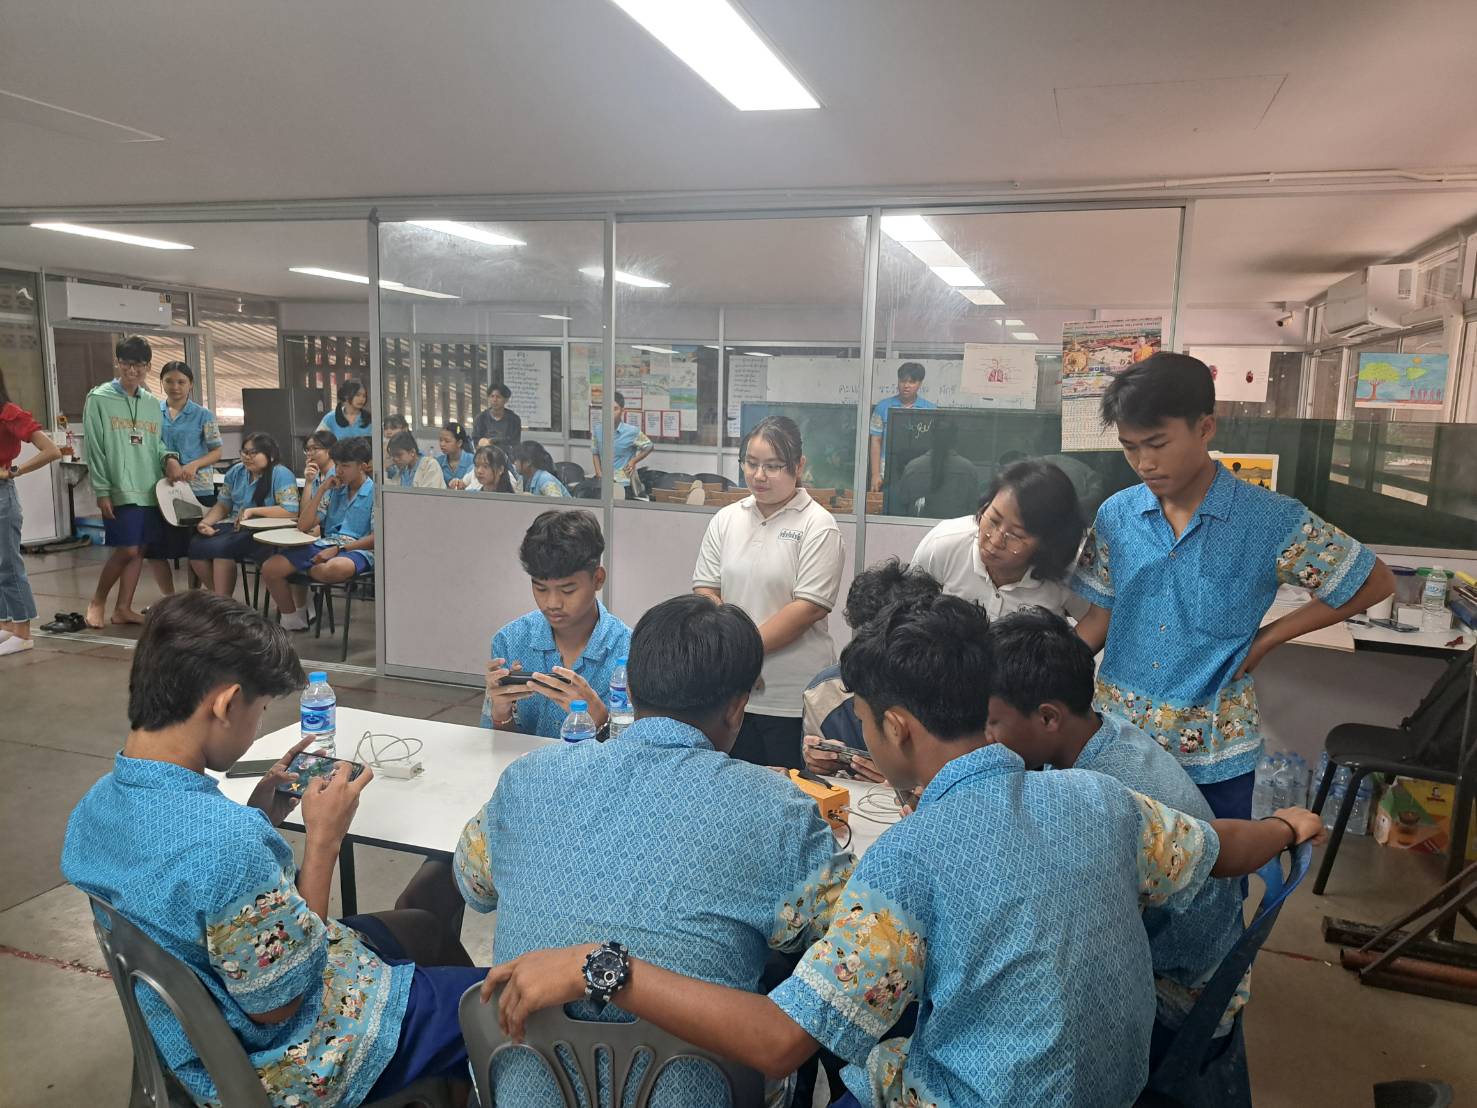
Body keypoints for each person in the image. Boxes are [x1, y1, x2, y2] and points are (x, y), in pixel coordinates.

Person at [479, 593, 1327, 1108]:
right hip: (1119, 1086)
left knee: (860, 1048)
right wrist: (1289, 829)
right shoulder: (1098, 798)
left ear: (896, 727)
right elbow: (1222, 849)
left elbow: (778, 1042)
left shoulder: (906, 863)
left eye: (860, 720)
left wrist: (602, 965)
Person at [60, 591, 483, 1108]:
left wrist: (259, 816)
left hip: (199, 1028)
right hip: (284, 1058)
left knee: (423, 928)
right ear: (225, 704)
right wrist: (323, 842)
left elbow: (202, 892)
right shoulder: (227, 843)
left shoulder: (97, 805)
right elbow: (280, 1002)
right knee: (498, 1005)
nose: (258, 723)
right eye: (260, 709)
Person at [453, 595, 854, 1105]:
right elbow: (843, 939)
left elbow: (473, 884)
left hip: (524, 1090)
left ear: (632, 685)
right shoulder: (779, 810)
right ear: (737, 706)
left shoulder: (527, 779)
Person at [1074, 353, 1395, 818]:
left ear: (1206, 428)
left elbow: (1374, 581)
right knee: (1115, 854)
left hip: (1211, 748)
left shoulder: (1270, 520)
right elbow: (1098, 618)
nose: (1144, 463)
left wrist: (1267, 639)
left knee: (1220, 857)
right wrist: (1035, 670)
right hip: (1119, 736)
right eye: (1130, 447)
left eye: (1158, 444)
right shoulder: (1116, 514)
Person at [984, 606, 1248, 1041]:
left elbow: (1062, 917)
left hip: (1178, 989)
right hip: (1181, 950)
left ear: (1048, 717)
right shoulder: (1099, 731)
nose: (986, 736)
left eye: (992, 721)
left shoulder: (1107, 792)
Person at [694, 416, 845, 770]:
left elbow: (807, 608)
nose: (759, 475)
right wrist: (733, 657)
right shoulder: (726, 519)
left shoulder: (818, 525)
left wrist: (741, 651)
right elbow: (706, 589)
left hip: (791, 696)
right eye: (751, 463)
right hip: (732, 694)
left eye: (773, 466)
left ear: (799, 466)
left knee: (790, 787)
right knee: (733, 785)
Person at [481, 509, 630, 739]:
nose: (552, 603)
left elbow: (643, 753)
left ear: (598, 579)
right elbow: (494, 747)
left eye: (567, 590)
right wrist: (501, 713)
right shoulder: (510, 641)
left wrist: (602, 720)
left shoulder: (631, 651)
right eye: (540, 588)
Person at [800, 559, 941, 784]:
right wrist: (819, 764)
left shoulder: (949, 688)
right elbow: (818, 783)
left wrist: (907, 782)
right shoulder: (825, 692)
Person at [82, 335, 185, 629]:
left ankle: (123, 608)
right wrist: (102, 490)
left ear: (148, 366)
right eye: (126, 364)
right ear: (118, 363)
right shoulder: (99, 398)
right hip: (119, 487)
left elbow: (156, 443)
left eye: (139, 365)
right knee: (127, 548)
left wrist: (169, 458)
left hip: (150, 488)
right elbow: (94, 448)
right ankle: (98, 600)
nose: (132, 370)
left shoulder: (152, 403)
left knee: (139, 550)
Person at [910, 457, 1089, 618]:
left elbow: (1096, 621)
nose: (995, 541)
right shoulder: (944, 543)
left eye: (1015, 535)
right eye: (993, 520)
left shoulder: (1069, 570)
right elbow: (908, 609)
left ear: (1047, 542)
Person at [261, 437, 375, 632]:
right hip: (325, 544)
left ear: (363, 466)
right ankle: (292, 619)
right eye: (337, 464)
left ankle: (302, 570)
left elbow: (376, 538)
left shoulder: (375, 492)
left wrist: (339, 549)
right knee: (270, 568)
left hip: (358, 549)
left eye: (345, 466)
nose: (339, 471)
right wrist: (322, 489)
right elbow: (303, 525)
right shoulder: (334, 489)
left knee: (333, 569)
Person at [188, 433, 299, 597]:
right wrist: (206, 523)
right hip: (235, 525)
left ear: (270, 455)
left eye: (253, 453)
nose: (247, 457)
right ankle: (218, 599)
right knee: (196, 546)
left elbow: (290, 510)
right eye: (244, 452)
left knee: (221, 550)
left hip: (263, 530)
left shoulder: (280, 473)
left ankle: (222, 601)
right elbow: (223, 504)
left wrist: (253, 511)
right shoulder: (236, 471)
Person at [0, 365, 62, 657]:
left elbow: (51, 450)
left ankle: (23, 632)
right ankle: (5, 624)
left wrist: (14, 471)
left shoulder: (9, 413)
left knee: (9, 564)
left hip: (2, 495)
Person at [147, 361, 223, 596]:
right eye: (169, 381)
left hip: (197, 490)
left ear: (191, 384)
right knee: (155, 549)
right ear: (161, 383)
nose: (175, 387)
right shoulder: (152, 412)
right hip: (162, 490)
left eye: (181, 382)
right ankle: (169, 598)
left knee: (196, 549)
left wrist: (195, 464)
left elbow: (217, 451)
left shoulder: (203, 415)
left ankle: (194, 597)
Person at [867, 361, 935, 494]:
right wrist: (875, 474)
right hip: (887, 469)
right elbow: (875, 441)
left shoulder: (930, 409)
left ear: (920, 384)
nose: (906, 386)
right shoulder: (882, 407)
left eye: (912, 382)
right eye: (903, 381)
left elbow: (934, 446)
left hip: (919, 469)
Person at [893, 415, 978, 519]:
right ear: (955, 438)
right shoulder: (969, 470)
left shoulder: (912, 468)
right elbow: (974, 512)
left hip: (918, 528)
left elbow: (900, 511)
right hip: (956, 529)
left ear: (931, 437)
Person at [590, 390, 653, 499]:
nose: (611, 413)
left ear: (622, 411)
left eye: (615, 409)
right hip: (603, 483)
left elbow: (649, 446)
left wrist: (633, 461)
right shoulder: (598, 430)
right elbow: (595, 452)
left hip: (624, 484)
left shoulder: (631, 431)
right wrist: (599, 473)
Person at [471, 382, 521, 449]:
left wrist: (492, 441)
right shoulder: (480, 418)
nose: (494, 400)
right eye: (492, 396)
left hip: (506, 454)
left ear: (506, 400)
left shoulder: (514, 420)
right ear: (488, 398)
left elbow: (515, 445)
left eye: (498, 397)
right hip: (485, 454)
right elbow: (476, 443)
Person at [302, 429, 336, 504]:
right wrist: (308, 482)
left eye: (315, 448)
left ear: (330, 450)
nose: (309, 453)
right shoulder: (313, 476)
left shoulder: (339, 476)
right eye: (307, 449)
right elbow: (304, 510)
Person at [437, 421, 475, 487]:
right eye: (440, 440)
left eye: (447, 441)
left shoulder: (473, 460)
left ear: (459, 443)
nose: (442, 444)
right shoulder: (438, 462)